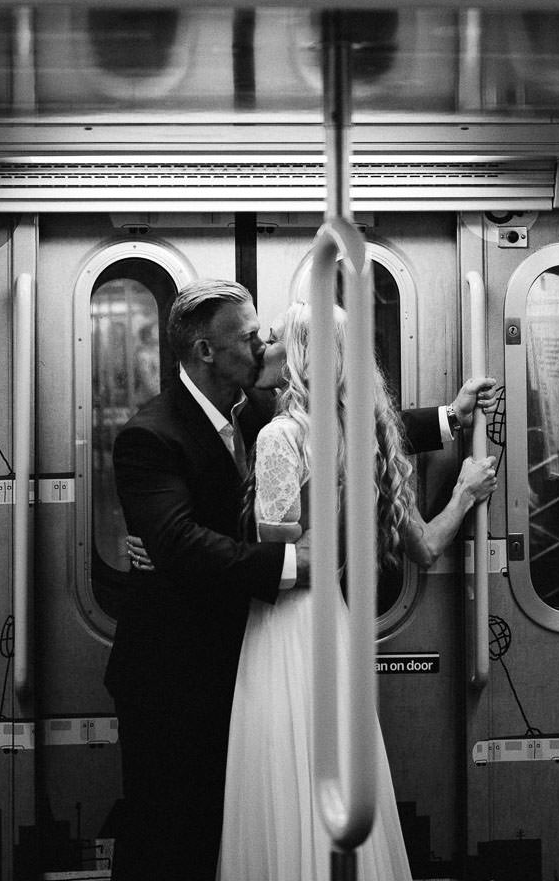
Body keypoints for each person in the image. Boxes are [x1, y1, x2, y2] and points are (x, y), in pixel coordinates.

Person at [105, 279, 497, 881]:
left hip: (254, 642)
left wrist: (449, 418)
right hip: (175, 672)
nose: (262, 345)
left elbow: (341, 420)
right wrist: (297, 564)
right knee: (170, 831)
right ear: (206, 351)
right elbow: (179, 542)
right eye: (249, 336)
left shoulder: (261, 413)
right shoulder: (151, 434)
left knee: (257, 812)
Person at [214, 300, 496, 881]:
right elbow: (425, 547)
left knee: (283, 772)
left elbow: (274, 541)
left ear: (299, 357)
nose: (263, 347)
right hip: (335, 625)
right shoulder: (365, 439)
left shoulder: (279, 436)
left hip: (286, 627)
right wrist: (465, 493)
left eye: (274, 340)